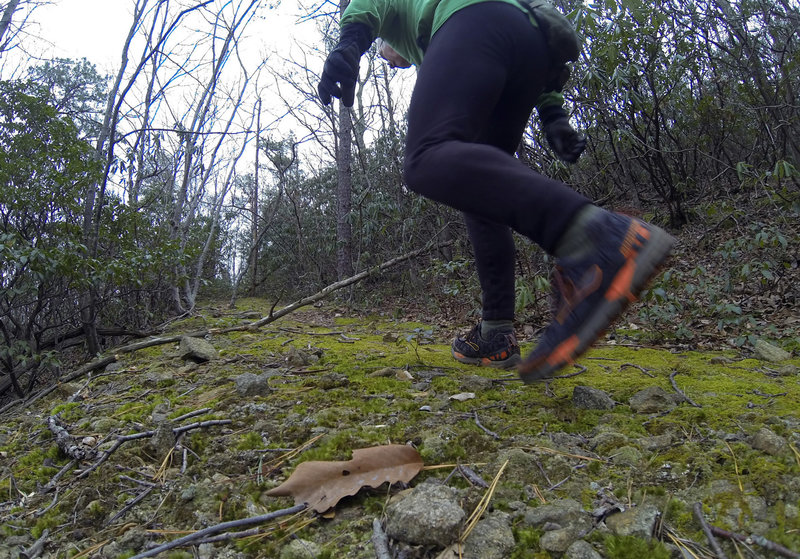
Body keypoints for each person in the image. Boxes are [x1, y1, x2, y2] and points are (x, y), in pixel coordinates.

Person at [317, 0, 675, 382]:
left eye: (385, 54)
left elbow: (368, 4)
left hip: (475, 18)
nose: (388, 60)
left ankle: (597, 237)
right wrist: (553, 113)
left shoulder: (408, 16)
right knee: (481, 195)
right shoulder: (439, 41)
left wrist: (350, 44)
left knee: (425, 158)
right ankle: (496, 332)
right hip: (529, 42)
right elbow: (501, 35)